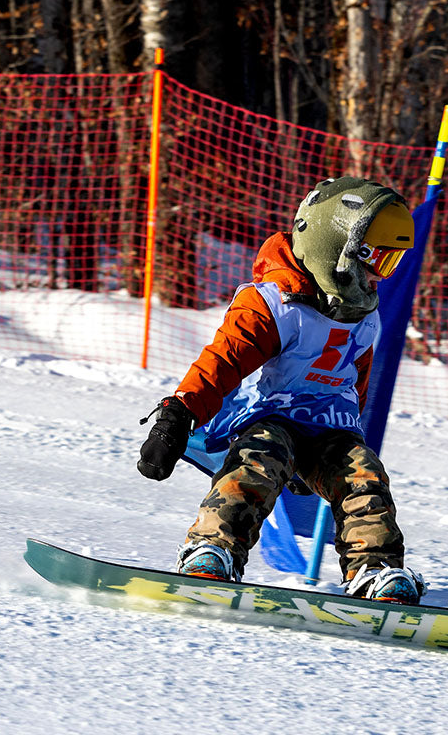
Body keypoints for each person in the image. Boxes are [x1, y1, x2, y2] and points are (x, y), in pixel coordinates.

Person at [137, 175, 425, 604]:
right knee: (259, 459)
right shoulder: (274, 305)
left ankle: (375, 569)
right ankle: (213, 548)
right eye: (378, 262)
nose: (380, 278)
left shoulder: (364, 315)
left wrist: (333, 452)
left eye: (392, 265)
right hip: (269, 418)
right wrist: (178, 415)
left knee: (363, 474)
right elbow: (222, 361)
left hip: (329, 428)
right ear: (337, 251)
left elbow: (355, 381)